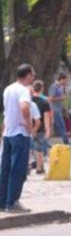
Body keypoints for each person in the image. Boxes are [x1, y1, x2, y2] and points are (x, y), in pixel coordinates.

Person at [0, 64, 37, 213]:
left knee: (6, 168)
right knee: (18, 169)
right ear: (27, 75)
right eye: (32, 75)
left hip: (8, 133)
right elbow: (24, 107)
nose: (33, 77)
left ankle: (2, 200)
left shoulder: (8, 89)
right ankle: (13, 201)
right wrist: (28, 123)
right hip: (20, 133)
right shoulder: (24, 91)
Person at [30, 80, 52, 175]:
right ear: (42, 89)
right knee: (40, 149)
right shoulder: (44, 102)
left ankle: (28, 167)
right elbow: (46, 117)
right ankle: (39, 168)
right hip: (40, 128)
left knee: (29, 149)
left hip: (29, 128)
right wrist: (48, 129)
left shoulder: (28, 100)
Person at [47, 73, 70, 144]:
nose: (66, 82)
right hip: (54, 109)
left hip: (59, 108)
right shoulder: (54, 87)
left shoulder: (61, 87)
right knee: (60, 124)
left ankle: (45, 141)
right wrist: (61, 98)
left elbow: (64, 96)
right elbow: (50, 99)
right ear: (61, 79)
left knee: (55, 126)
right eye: (65, 81)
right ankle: (65, 141)